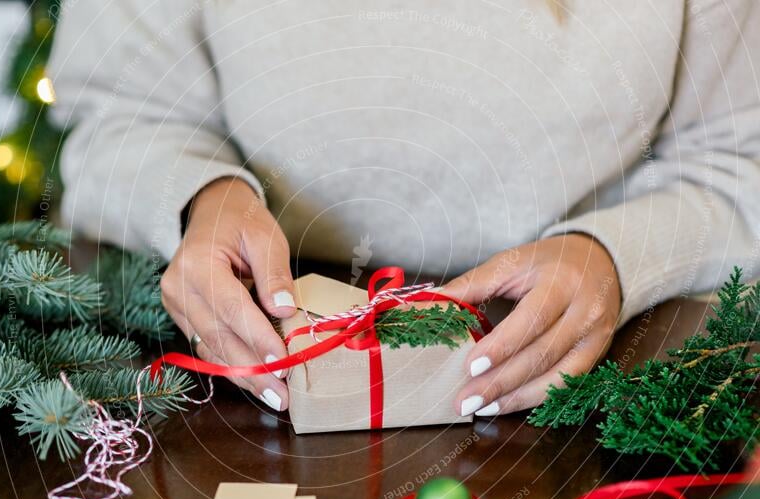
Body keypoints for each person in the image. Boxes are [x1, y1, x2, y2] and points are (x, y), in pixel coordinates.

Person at [48, 1, 760, 417]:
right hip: (242, 378)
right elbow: (118, 118)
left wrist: (613, 256)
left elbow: (739, 161)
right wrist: (202, 197)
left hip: (600, 385)